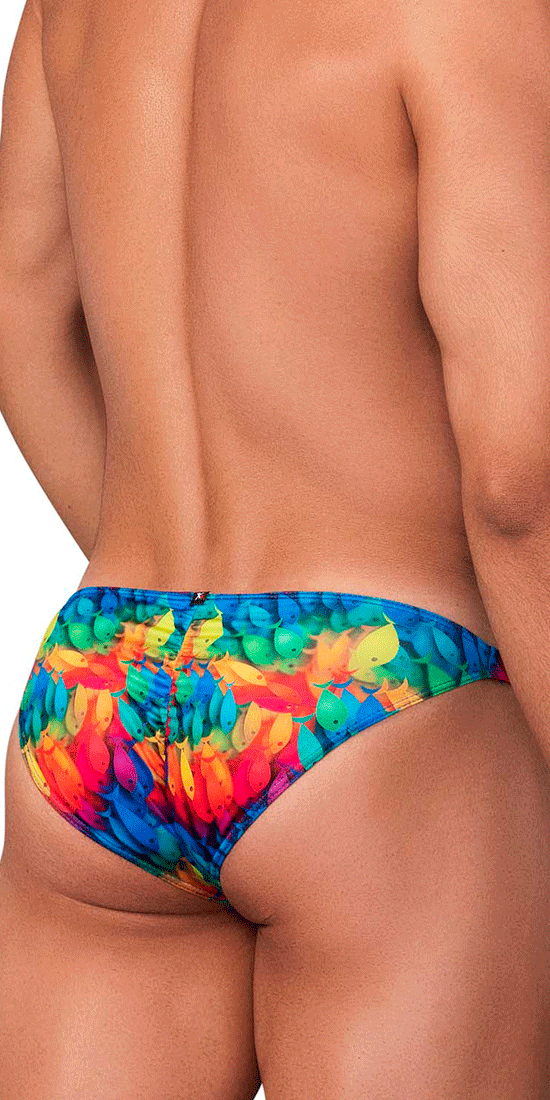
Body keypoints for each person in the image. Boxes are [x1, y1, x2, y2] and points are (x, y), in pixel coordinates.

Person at [1, 0, 550, 1095]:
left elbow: (18, 318)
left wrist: (191, 594)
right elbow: (516, 476)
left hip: (105, 684)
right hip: (386, 688)